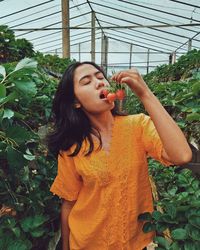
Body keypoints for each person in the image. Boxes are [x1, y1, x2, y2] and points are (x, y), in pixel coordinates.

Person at [48, 61, 192, 250]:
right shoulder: (72, 147)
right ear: (75, 102)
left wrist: (145, 94)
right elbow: (69, 203)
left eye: (101, 77)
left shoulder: (138, 125)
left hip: (135, 242)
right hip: (87, 243)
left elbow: (181, 155)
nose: (100, 82)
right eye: (86, 81)